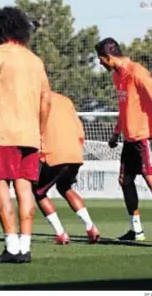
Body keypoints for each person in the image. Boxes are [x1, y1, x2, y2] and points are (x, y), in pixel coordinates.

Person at [0, 6, 51, 263]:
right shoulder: (35, 60)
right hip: (30, 134)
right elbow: (46, 100)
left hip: (2, 133)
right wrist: (40, 130)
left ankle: (11, 246)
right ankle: (25, 248)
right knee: (25, 186)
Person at [95, 37, 152, 244]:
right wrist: (116, 132)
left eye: (100, 59)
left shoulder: (137, 72)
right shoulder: (117, 76)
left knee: (151, 181)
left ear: (108, 57)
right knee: (125, 181)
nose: (100, 63)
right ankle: (136, 230)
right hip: (129, 140)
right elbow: (124, 108)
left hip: (146, 137)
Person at [34, 91, 100, 245]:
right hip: (74, 152)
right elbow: (79, 130)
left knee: (38, 192)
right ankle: (91, 227)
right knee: (65, 187)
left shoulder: (35, 99)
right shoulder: (65, 100)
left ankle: (60, 233)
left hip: (53, 152)